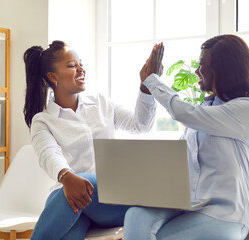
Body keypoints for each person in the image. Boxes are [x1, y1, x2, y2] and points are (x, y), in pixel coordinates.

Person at [124, 36, 249, 239]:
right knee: (136, 216)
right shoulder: (206, 108)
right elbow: (179, 161)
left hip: (224, 215)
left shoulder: (247, 108)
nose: (196, 71)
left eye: (202, 65)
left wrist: (152, 80)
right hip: (191, 205)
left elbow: (184, 113)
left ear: (222, 70)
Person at [23, 40, 157, 239]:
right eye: (71, 66)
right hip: (71, 200)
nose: (81, 69)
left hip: (112, 200)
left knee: (81, 183)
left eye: (81, 64)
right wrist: (66, 177)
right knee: (69, 227)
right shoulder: (43, 120)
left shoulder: (102, 104)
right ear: (53, 76)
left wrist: (147, 86)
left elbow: (141, 125)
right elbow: (48, 154)